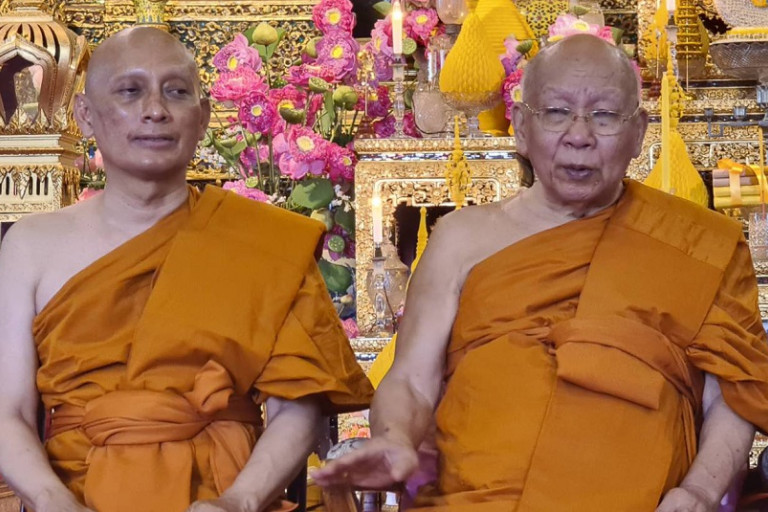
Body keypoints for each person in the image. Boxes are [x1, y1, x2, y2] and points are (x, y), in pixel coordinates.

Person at [313, 34, 768, 511]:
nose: (579, 135)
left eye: (604, 115)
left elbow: (732, 394)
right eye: (556, 112)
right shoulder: (461, 239)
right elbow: (411, 379)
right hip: (474, 498)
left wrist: (699, 492)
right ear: (521, 128)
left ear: (638, 132)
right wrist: (395, 440)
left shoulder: (696, 244)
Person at [0, 27, 373, 512]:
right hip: (76, 493)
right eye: (130, 91)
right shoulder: (31, 244)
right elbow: (8, 410)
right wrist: (51, 499)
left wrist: (239, 500)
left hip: (224, 492)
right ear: (85, 116)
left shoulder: (261, 241)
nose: (155, 110)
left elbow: (297, 405)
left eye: (176, 91)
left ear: (202, 118)